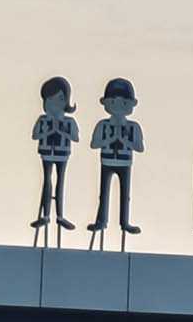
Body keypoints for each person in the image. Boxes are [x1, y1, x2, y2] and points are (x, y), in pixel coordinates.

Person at [87, 77, 144, 234]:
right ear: (105, 103)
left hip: (125, 162)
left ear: (132, 104)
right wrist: (112, 138)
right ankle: (101, 220)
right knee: (104, 192)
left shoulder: (133, 127)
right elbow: (94, 144)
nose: (118, 106)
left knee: (125, 194)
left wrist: (124, 139)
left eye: (124, 102)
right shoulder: (103, 125)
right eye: (113, 102)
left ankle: (124, 222)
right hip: (107, 160)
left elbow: (139, 147)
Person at [29, 77, 78, 230]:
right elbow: (35, 135)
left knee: (60, 182)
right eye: (50, 100)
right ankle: (45, 215)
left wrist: (61, 130)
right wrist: (50, 130)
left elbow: (75, 137)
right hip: (47, 153)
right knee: (47, 180)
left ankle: (60, 215)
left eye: (60, 99)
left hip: (62, 154)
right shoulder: (43, 120)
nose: (55, 104)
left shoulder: (69, 122)